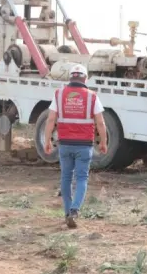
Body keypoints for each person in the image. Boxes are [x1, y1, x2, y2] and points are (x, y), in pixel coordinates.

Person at [43, 64, 107, 229]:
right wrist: (104, 142)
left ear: (70, 77)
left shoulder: (59, 94)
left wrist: (47, 140)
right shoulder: (92, 96)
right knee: (81, 178)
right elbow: (100, 122)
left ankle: (67, 212)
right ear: (85, 78)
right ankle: (74, 210)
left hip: (64, 144)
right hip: (84, 146)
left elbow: (51, 120)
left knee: (65, 177)